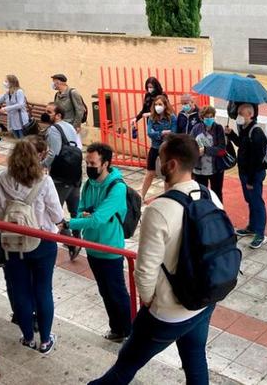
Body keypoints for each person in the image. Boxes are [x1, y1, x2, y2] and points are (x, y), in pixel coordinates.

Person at [89, 135, 220, 384]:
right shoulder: (209, 196)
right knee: (195, 359)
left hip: (168, 311)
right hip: (203, 300)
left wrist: (149, 302)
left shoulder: (160, 209)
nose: (157, 163)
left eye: (160, 158)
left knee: (126, 364)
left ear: (170, 165)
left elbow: (145, 270)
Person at [0, 140, 63, 354]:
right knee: (43, 289)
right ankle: (45, 340)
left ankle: (27, 337)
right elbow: (56, 215)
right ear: (37, 158)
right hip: (42, 242)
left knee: (20, 291)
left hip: (11, 244)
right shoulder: (44, 182)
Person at [66, 143, 131, 342]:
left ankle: (128, 330)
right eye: (87, 162)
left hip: (110, 249)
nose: (89, 166)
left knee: (117, 292)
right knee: (104, 291)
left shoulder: (117, 187)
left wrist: (68, 223)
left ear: (106, 163)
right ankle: (116, 329)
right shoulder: (88, 184)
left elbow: (97, 219)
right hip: (92, 247)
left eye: (93, 163)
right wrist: (82, 216)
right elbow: (80, 210)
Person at [43, 102, 83, 260]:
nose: (46, 114)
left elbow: (54, 153)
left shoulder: (54, 129)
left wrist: (42, 164)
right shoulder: (70, 126)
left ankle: (71, 242)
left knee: (55, 211)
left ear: (58, 115)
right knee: (75, 207)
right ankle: (78, 235)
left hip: (61, 176)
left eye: (49, 112)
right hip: (75, 173)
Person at [225, 103, 267, 249]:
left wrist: (250, 179)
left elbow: (257, 159)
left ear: (250, 114)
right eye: (238, 114)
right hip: (244, 172)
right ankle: (252, 226)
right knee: (250, 200)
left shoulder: (256, 132)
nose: (238, 117)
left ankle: (260, 234)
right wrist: (231, 134)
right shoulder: (245, 129)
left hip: (253, 175)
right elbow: (242, 145)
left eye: (241, 114)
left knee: (257, 202)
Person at [140, 96, 176, 200]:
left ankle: (167, 197)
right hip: (155, 148)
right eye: (156, 104)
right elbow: (149, 133)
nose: (157, 107)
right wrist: (162, 133)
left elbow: (173, 132)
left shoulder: (172, 117)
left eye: (160, 104)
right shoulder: (151, 117)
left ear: (165, 105)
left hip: (167, 149)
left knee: (167, 175)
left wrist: (161, 133)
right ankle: (142, 196)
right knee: (150, 173)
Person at [191, 106, 227, 203]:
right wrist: (196, 151)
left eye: (212, 116)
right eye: (207, 117)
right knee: (202, 193)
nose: (210, 119)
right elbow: (190, 145)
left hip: (215, 168)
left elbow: (222, 150)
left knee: (217, 193)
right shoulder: (196, 129)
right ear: (202, 118)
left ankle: (219, 213)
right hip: (200, 168)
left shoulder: (218, 129)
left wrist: (206, 150)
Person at [0, 75, 29, 139]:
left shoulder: (19, 91)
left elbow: (20, 104)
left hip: (20, 120)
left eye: (6, 81)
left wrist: (6, 108)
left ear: (12, 82)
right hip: (12, 120)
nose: (4, 83)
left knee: (23, 139)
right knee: (17, 139)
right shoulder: (8, 93)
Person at [51, 74, 86, 143]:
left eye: (54, 82)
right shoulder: (57, 95)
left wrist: (76, 126)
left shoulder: (72, 93)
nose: (52, 84)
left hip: (71, 126)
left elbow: (80, 111)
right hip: (60, 126)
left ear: (59, 82)